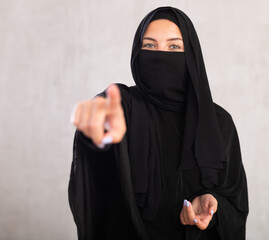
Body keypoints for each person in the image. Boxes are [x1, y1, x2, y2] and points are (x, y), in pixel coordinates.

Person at [68, 6, 248, 240]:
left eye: (174, 46)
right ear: (137, 53)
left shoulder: (219, 123)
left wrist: (214, 206)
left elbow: (236, 201)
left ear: (191, 54)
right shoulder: (126, 107)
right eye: (150, 46)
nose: (161, 55)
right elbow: (105, 123)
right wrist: (98, 118)